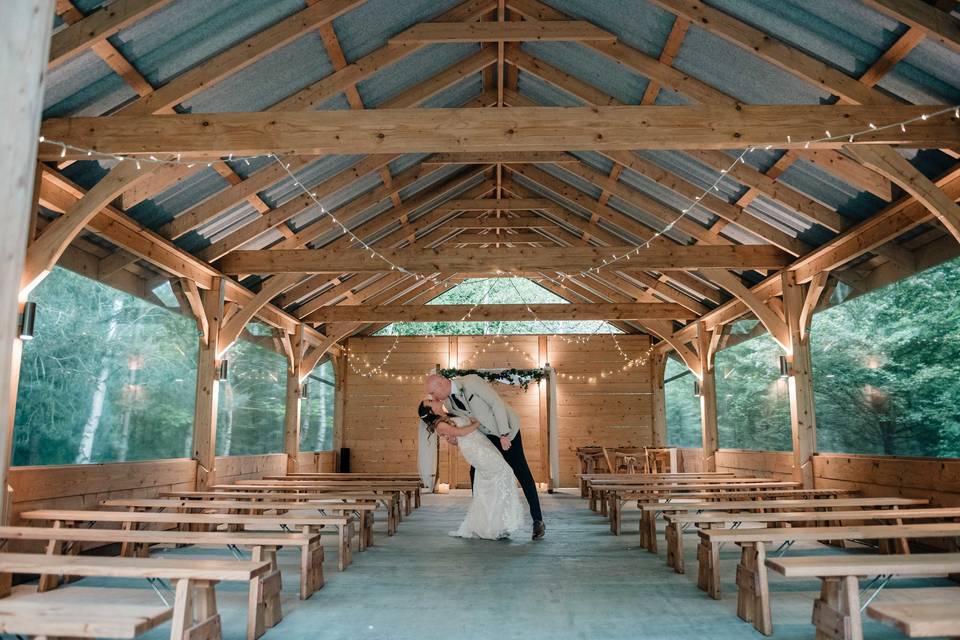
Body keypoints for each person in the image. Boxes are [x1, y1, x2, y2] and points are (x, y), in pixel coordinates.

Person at [423, 373, 545, 540]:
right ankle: (485, 521)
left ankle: (538, 521)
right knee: (475, 473)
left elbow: (496, 404)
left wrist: (503, 434)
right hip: (486, 438)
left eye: (432, 392)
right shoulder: (448, 403)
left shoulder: (471, 382)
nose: (432, 396)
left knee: (521, 471)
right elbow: (466, 423)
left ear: (441, 385)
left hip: (506, 430)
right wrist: (454, 438)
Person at [418, 401, 525, 540]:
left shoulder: (448, 415)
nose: (435, 400)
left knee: (487, 485)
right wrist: (478, 422)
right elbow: (462, 432)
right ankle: (495, 525)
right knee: (504, 472)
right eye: (431, 402)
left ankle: (494, 525)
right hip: (476, 450)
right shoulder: (440, 425)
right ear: (430, 411)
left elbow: (457, 438)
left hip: (482, 444)